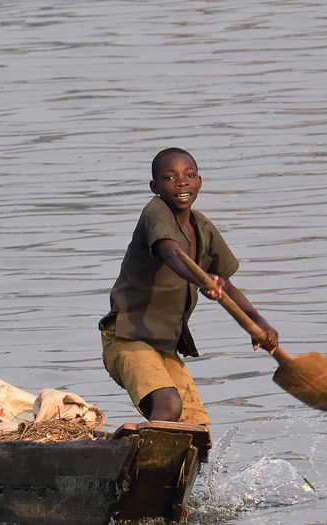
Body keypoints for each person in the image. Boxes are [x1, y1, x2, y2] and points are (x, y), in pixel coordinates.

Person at [100, 147, 278, 424]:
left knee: (197, 429)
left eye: (189, 175)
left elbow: (225, 284)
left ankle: (172, 466)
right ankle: (144, 464)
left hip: (164, 346)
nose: (181, 182)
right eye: (170, 178)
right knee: (168, 405)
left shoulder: (202, 226)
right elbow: (171, 253)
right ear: (154, 186)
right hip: (127, 338)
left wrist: (258, 323)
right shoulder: (155, 212)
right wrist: (200, 280)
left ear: (199, 182)